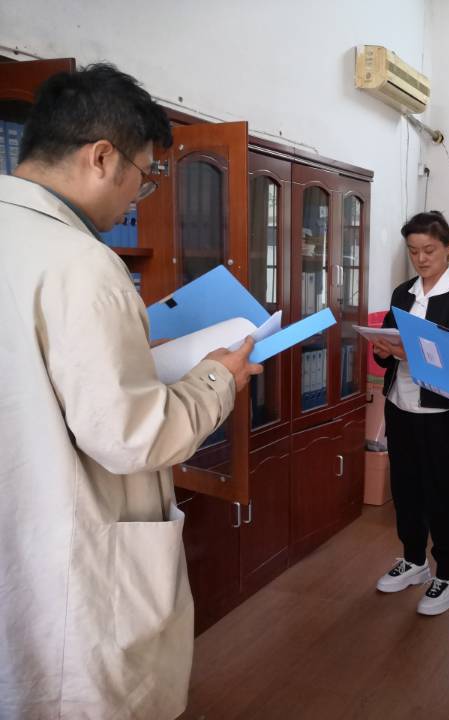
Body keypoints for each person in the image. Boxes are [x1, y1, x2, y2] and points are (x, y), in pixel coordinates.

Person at [0, 64, 262, 719]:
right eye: (144, 177)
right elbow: (132, 436)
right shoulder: (83, 262)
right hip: (71, 553)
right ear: (100, 157)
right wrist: (217, 379)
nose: (138, 198)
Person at [371, 210, 449, 616]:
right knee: (406, 490)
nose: (420, 259)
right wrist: (383, 350)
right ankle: (414, 561)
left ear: (448, 248)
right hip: (400, 406)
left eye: (429, 250)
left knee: (443, 496)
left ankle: (448, 576)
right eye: (413, 251)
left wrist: (417, 355)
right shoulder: (403, 293)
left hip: (442, 413)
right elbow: (387, 349)